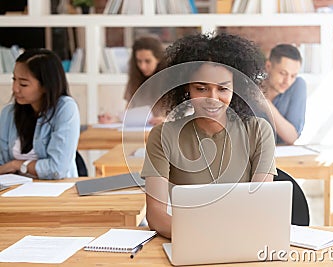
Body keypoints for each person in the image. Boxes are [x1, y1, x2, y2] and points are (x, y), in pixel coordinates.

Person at [140, 33, 277, 238]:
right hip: (190, 240)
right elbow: (156, 216)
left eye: (222, 89)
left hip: (242, 241)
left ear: (236, 88)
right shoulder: (163, 136)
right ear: (186, 87)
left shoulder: (258, 132)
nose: (212, 99)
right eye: (201, 88)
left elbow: (260, 207)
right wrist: (206, 236)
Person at [0, 48, 80, 179]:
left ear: (45, 86)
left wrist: (16, 165)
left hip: (57, 192)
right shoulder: (8, 113)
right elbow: (2, 165)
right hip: (14, 192)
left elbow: (56, 169)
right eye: (14, 79)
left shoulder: (65, 108)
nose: (15, 88)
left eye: (23, 84)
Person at [98, 36, 167, 125]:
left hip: (165, 132)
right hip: (140, 131)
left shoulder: (171, 79)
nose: (142, 66)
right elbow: (129, 113)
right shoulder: (134, 80)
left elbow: (184, 115)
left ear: (158, 59)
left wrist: (167, 120)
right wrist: (114, 119)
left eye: (147, 61)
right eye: (139, 61)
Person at [261, 44, 307, 145]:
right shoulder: (253, 84)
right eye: (283, 73)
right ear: (268, 66)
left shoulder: (298, 85)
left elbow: (291, 137)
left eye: (293, 76)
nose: (287, 81)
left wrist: (264, 102)